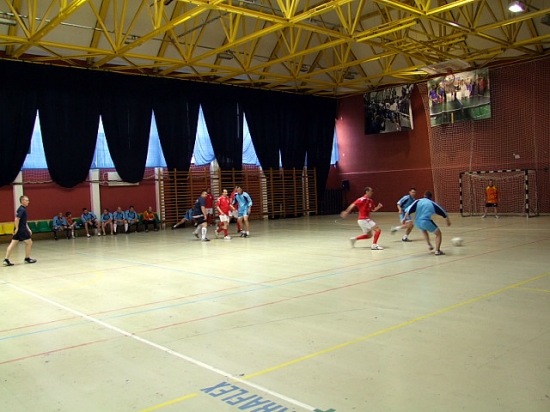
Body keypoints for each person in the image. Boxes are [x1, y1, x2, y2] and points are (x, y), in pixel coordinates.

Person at [402, 190, 451, 256]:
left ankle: (429, 245)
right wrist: (447, 220)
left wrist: (404, 219)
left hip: (417, 222)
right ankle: (437, 251)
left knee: (423, 230)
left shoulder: (418, 201)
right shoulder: (432, 203)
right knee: (438, 234)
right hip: (426, 221)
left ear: (424, 195)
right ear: (431, 197)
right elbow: (443, 211)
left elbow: (408, 210)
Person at [3, 195, 37, 266]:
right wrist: (17, 228)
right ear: (22, 201)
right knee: (29, 243)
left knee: (13, 244)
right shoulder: (22, 209)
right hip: (22, 230)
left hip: (20, 229)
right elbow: (17, 219)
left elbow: (24, 221)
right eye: (27, 200)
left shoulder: (21, 209)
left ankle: (6, 259)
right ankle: (27, 258)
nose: (28, 202)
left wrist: (28, 228)